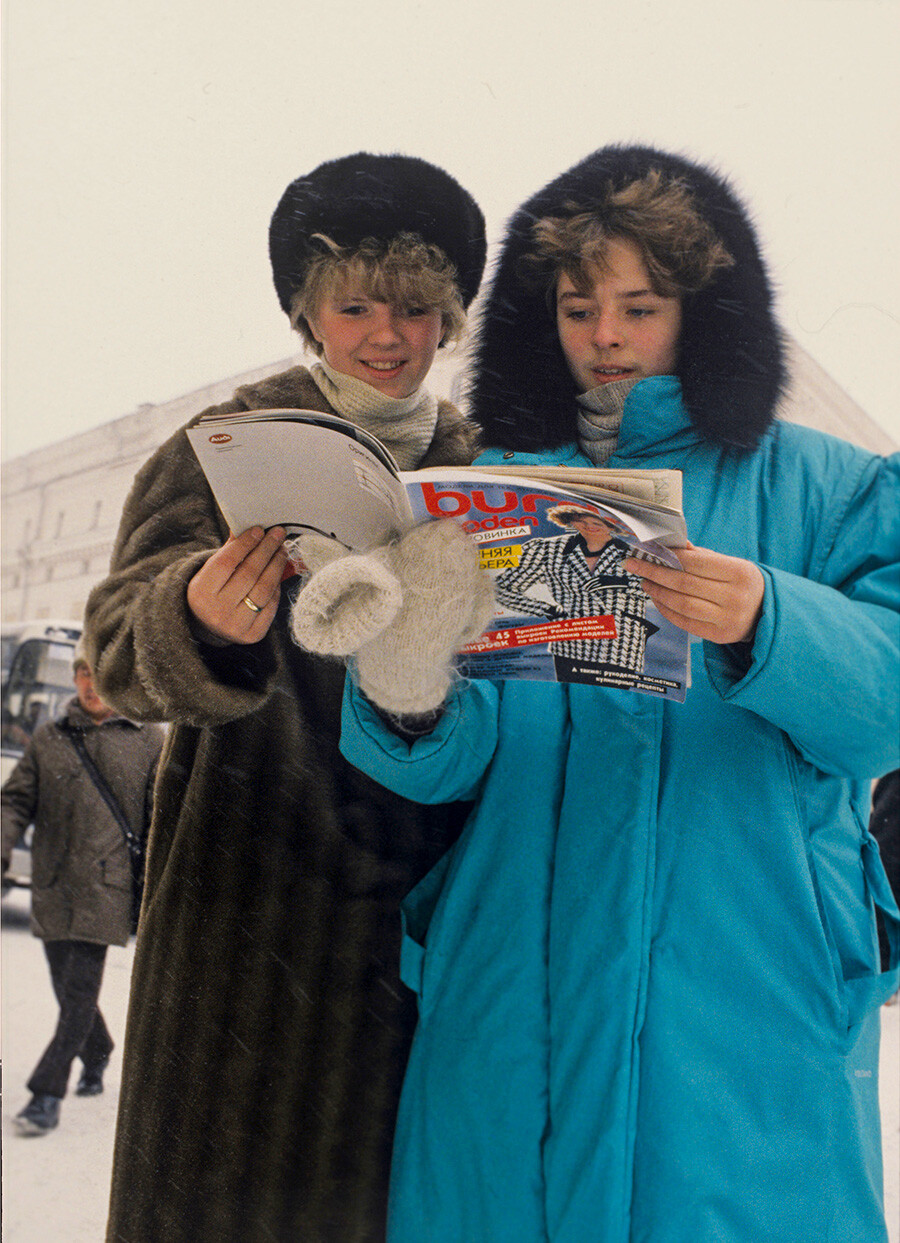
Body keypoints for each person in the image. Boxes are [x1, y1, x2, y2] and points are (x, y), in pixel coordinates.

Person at [325, 146, 900, 1240]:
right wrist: (408, 687)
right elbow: (459, 763)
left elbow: (888, 709)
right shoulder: (487, 493)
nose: (605, 336)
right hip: (513, 982)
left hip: (750, 988)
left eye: (641, 306)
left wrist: (770, 619)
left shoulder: (839, 488)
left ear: (706, 309)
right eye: (578, 306)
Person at [83, 153, 486, 1241]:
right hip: (243, 921)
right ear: (307, 315)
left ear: (449, 318)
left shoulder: (490, 470)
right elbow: (116, 650)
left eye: (414, 306)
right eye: (353, 304)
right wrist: (200, 620)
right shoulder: (218, 449)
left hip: (426, 909)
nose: (386, 334)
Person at [1, 648, 163, 1136]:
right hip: (52, 885)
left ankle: (45, 1095)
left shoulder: (148, 740)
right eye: (83, 673)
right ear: (75, 678)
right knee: (65, 989)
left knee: (76, 994)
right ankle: (98, 1049)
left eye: (100, 674)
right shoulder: (50, 738)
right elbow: (15, 802)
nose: (91, 684)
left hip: (108, 889)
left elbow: (160, 820)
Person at [493, 504, 660, 684]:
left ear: (614, 525)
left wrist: (624, 583)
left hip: (620, 645)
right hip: (571, 645)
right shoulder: (548, 550)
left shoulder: (639, 554)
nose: (589, 527)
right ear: (570, 520)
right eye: (581, 521)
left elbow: (663, 591)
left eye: (598, 522)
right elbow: (501, 589)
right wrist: (546, 609)